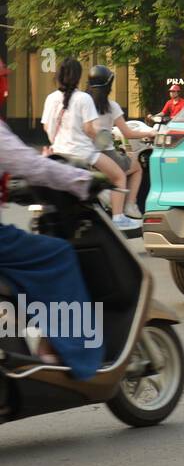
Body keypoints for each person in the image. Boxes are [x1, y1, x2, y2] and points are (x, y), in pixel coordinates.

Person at [0, 57, 105, 378]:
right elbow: (32, 164)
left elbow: (42, 138)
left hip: (58, 158)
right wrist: (84, 182)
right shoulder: (89, 100)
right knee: (57, 254)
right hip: (72, 166)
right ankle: (60, 351)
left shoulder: (50, 99)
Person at [80, 66, 151, 228]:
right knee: (136, 166)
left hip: (82, 152)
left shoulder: (82, 102)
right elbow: (128, 133)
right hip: (104, 152)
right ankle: (127, 207)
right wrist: (152, 133)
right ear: (108, 85)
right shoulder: (111, 106)